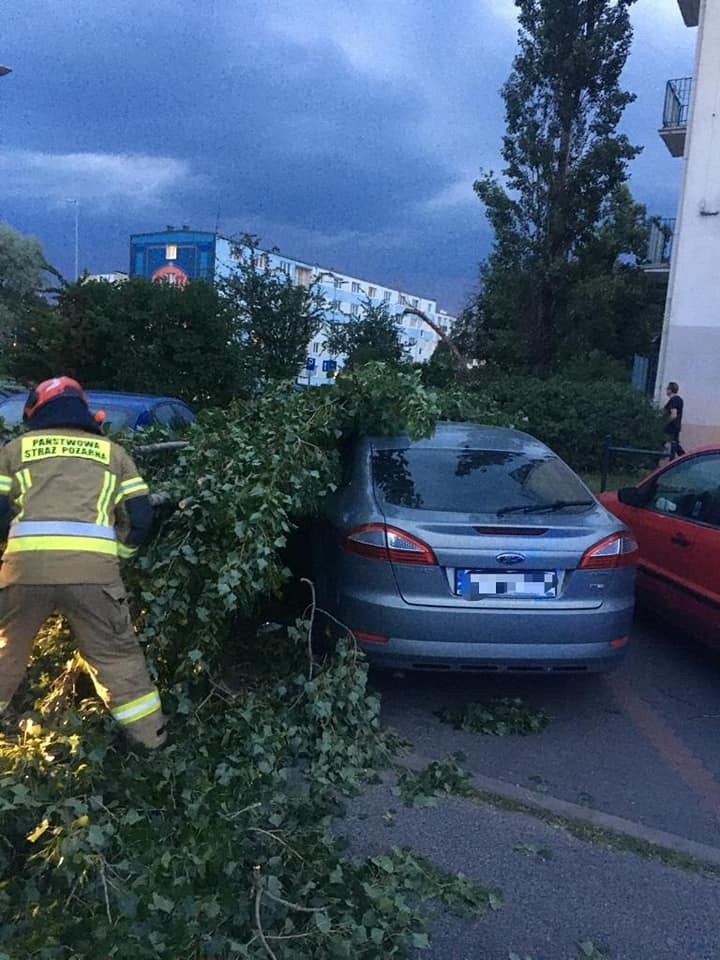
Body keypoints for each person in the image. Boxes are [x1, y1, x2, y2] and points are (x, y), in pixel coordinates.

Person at [0, 377, 166, 749]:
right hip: (94, 576)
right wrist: (116, 558)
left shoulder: (14, 450)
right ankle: (151, 743)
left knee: (5, 650)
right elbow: (139, 519)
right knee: (117, 657)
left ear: (36, 411)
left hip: (25, 573)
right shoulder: (114, 454)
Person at [664, 381, 685, 460]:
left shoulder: (674, 400)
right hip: (676, 426)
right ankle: (683, 458)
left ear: (670, 390)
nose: (666, 391)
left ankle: (680, 459)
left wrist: (665, 422)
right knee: (675, 445)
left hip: (671, 427)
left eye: (667, 389)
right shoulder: (679, 400)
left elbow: (673, 415)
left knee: (673, 444)